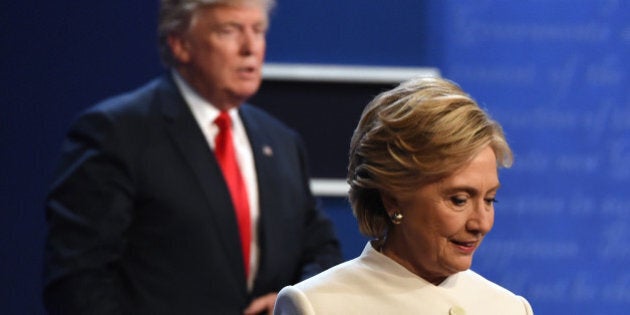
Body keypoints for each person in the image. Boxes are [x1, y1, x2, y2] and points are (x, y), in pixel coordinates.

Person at [43, 0, 342, 314]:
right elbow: (77, 283)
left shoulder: (280, 141)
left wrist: (291, 300)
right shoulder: (115, 133)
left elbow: (321, 251)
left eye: (258, 30)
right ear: (180, 45)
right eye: (229, 31)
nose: (250, 47)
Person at [274, 77, 533, 315]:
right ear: (392, 198)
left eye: (489, 200)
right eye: (459, 200)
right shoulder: (316, 306)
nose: (481, 223)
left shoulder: (509, 308)